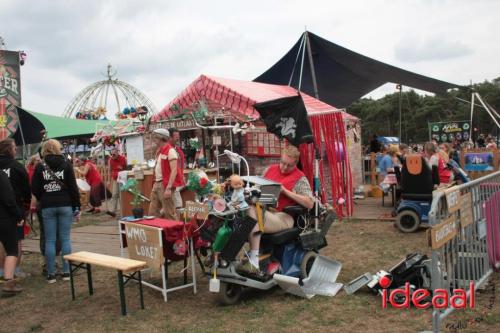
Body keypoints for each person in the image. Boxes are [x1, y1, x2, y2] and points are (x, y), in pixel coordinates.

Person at [246, 146, 314, 270]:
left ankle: (254, 258)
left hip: (284, 216)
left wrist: (285, 191)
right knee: (242, 210)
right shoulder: (270, 170)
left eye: (289, 165)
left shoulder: (300, 178)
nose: (284, 167)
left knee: (251, 211)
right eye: (282, 163)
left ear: (295, 164)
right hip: (265, 210)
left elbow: (309, 203)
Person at [32, 139, 80, 283]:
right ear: (58, 149)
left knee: (50, 240)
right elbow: (73, 188)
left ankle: (51, 274)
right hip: (65, 204)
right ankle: (66, 272)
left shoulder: (40, 166)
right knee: (65, 239)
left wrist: (44, 196)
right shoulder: (66, 164)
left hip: (48, 206)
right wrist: (76, 206)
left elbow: (34, 188)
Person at [0, 138, 31, 280]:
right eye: (14, 148)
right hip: (13, 210)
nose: (15, 150)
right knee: (16, 241)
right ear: (9, 150)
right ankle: (15, 271)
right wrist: (26, 207)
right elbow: (26, 190)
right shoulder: (17, 166)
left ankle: (2, 271)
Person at [148, 129, 183, 220]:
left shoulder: (170, 151)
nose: (154, 139)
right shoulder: (160, 151)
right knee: (152, 212)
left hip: (165, 184)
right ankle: (156, 232)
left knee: (169, 212)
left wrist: (168, 188)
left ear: (161, 138)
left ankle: (176, 233)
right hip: (157, 183)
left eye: (156, 137)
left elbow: (174, 170)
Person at [0, 170, 24, 293]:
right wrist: (18, 215)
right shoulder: (1, 175)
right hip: (4, 217)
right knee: (12, 250)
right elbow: (8, 198)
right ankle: (9, 282)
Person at [168, 128, 186, 210]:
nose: (178, 138)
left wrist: (182, 175)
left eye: (178, 136)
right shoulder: (168, 149)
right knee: (177, 205)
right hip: (173, 181)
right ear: (170, 137)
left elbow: (180, 164)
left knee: (173, 206)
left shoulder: (176, 148)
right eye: (176, 137)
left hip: (178, 179)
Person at [107, 147, 127, 217]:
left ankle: (123, 211)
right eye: (111, 154)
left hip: (122, 178)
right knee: (114, 194)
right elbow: (109, 170)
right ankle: (112, 211)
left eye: (114, 154)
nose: (112, 156)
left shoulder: (123, 159)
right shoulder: (110, 160)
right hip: (115, 179)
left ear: (117, 153)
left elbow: (126, 168)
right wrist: (109, 180)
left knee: (122, 195)